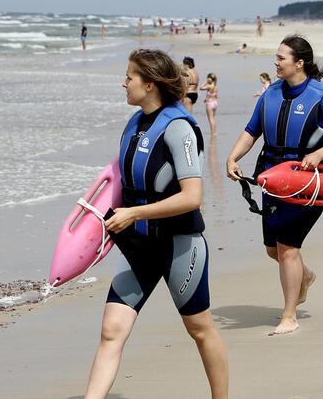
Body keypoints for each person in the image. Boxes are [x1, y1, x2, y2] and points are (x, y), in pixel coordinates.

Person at [85, 49, 228, 399]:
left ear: (149, 84)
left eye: (129, 77)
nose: (124, 82)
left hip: (178, 245)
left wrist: (134, 214)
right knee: (111, 330)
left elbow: (192, 196)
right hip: (138, 247)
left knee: (200, 329)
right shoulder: (135, 123)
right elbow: (123, 183)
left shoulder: (179, 129)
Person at [225, 35, 323, 336]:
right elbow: (251, 132)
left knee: (287, 247)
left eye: (281, 57)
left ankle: (289, 316)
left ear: (300, 62)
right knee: (273, 250)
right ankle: (305, 277)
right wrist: (232, 157)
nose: (276, 62)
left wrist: (320, 154)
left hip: (308, 183)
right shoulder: (269, 94)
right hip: (272, 181)